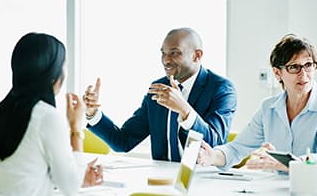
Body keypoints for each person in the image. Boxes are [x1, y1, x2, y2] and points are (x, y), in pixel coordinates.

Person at [83, 27, 237, 162]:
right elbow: (123, 142)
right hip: (162, 181)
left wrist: (185, 110)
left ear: (197, 55)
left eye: (174, 53)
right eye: (163, 53)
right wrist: (93, 114)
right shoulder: (158, 88)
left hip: (203, 181)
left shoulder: (221, 88)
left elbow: (215, 146)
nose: (166, 60)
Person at [0, 32, 103, 196]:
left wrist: (79, 176)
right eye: (64, 65)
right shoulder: (47, 117)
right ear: (53, 73)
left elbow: (22, 175)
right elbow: (70, 188)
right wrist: (75, 128)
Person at [198, 34, 317, 172]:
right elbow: (237, 148)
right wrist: (212, 156)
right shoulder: (268, 108)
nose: (303, 74)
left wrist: (285, 164)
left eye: (308, 65)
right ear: (277, 73)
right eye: (294, 67)